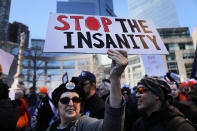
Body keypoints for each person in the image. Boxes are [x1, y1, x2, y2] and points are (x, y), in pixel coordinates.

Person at [48, 49, 128, 131]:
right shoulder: (51, 126)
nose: (71, 103)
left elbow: (112, 127)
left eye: (76, 99)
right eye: (65, 100)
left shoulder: (84, 123)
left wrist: (115, 78)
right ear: (56, 105)